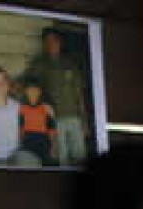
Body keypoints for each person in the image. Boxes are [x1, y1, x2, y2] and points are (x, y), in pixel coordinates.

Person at [24, 27, 88, 166]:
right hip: (54, 119)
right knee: (61, 158)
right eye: (47, 41)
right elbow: (28, 86)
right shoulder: (39, 64)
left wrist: (84, 120)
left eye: (54, 40)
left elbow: (79, 93)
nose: (51, 43)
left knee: (80, 156)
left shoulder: (70, 63)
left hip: (74, 117)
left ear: (60, 42)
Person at [18, 77, 57, 166]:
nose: (33, 92)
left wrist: (53, 147)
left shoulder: (47, 108)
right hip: (28, 143)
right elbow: (21, 129)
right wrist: (20, 144)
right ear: (26, 91)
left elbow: (51, 129)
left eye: (35, 90)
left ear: (40, 91)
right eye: (30, 90)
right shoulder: (22, 109)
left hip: (44, 143)